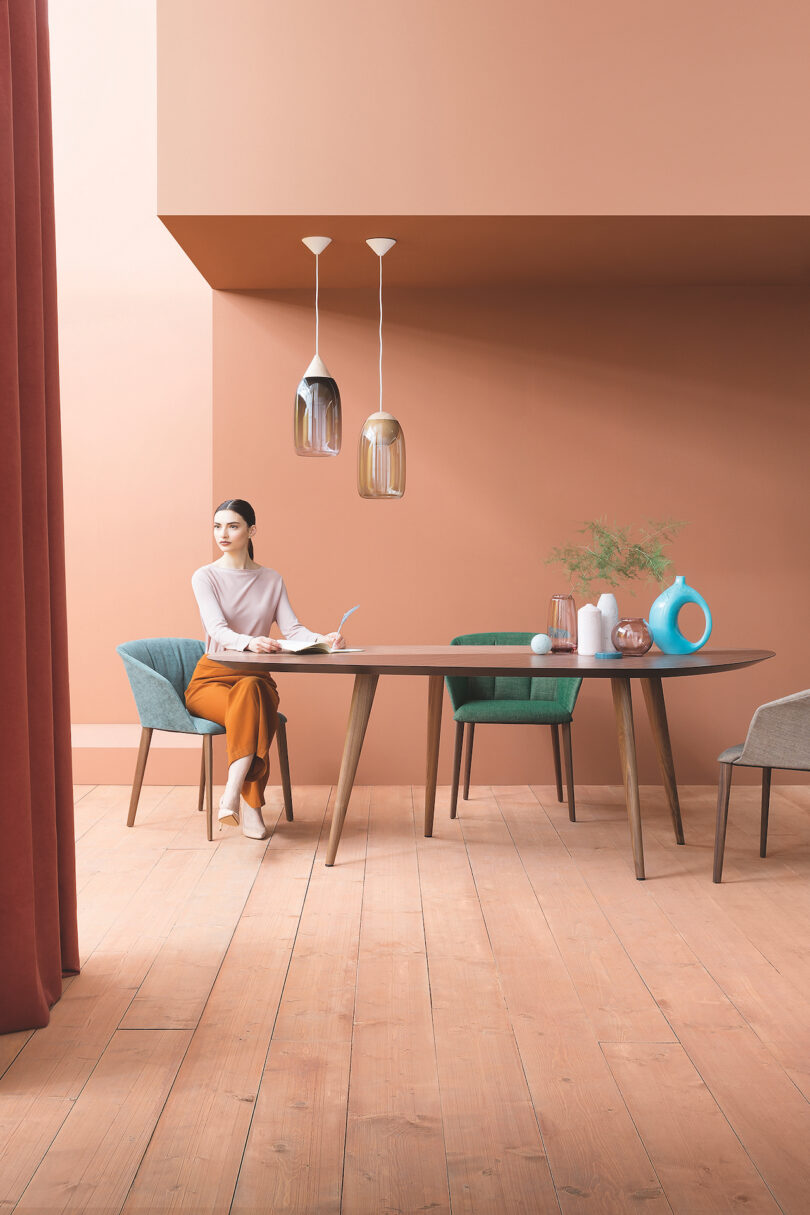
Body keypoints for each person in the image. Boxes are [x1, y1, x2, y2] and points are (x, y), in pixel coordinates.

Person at [184, 498, 344, 840]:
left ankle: (232, 794)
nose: (222, 534)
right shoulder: (205, 576)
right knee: (255, 706)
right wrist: (249, 641)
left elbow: (294, 631)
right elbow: (216, 629)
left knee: (252, 692)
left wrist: (325, 638)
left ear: (251, 530)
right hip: (212, 677)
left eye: (232, 526)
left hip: (255, 678)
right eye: (217, 526)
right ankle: (250, 805)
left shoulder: (271, 578)